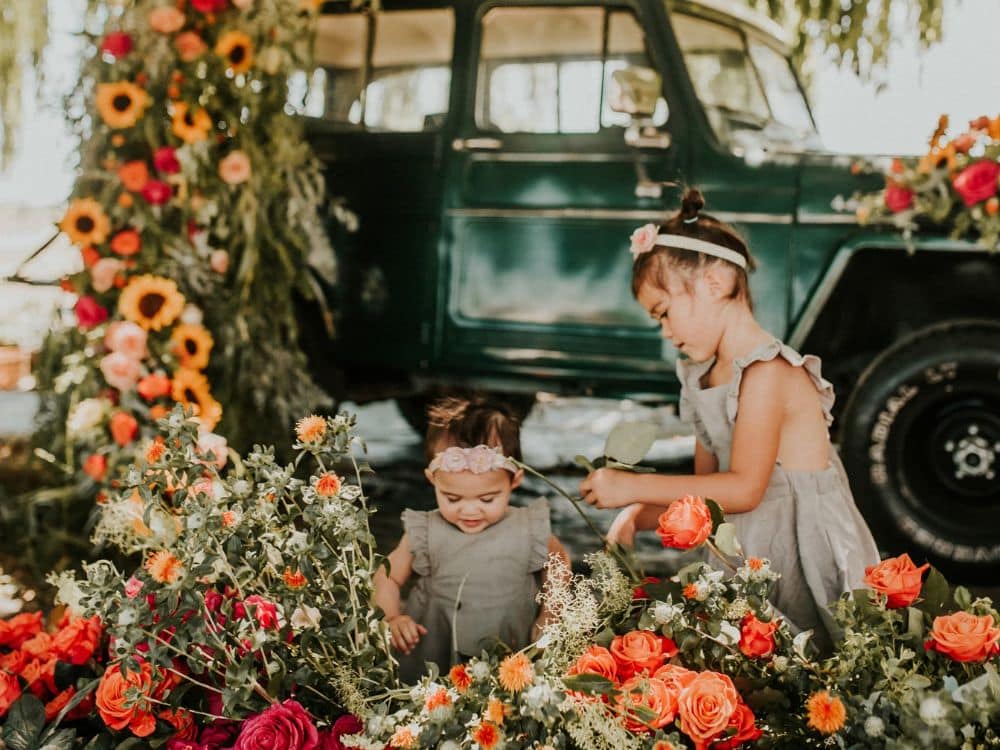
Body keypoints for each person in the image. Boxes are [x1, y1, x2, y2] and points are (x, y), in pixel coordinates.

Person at [579, 188, 880, 652]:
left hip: (799, 553)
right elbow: (708, 499)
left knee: (816, 673)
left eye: (665, 313)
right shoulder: (703, 377)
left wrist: (631, 486)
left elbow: (743, 489)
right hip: (744, 552)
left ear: (716, 282)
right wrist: (638, 515)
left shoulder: (768, 372)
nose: (666, 332)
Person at [374, 397, 569, 681]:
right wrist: (392, 617)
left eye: (488, 498)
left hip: (510, 649)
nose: (469, 510)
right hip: (436, 647)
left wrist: (549, 614)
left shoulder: (528, 526)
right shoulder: (426, 529)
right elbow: (387, 575)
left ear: (514, 481)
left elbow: (559, 561)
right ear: (432, 480)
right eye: (452, 498)